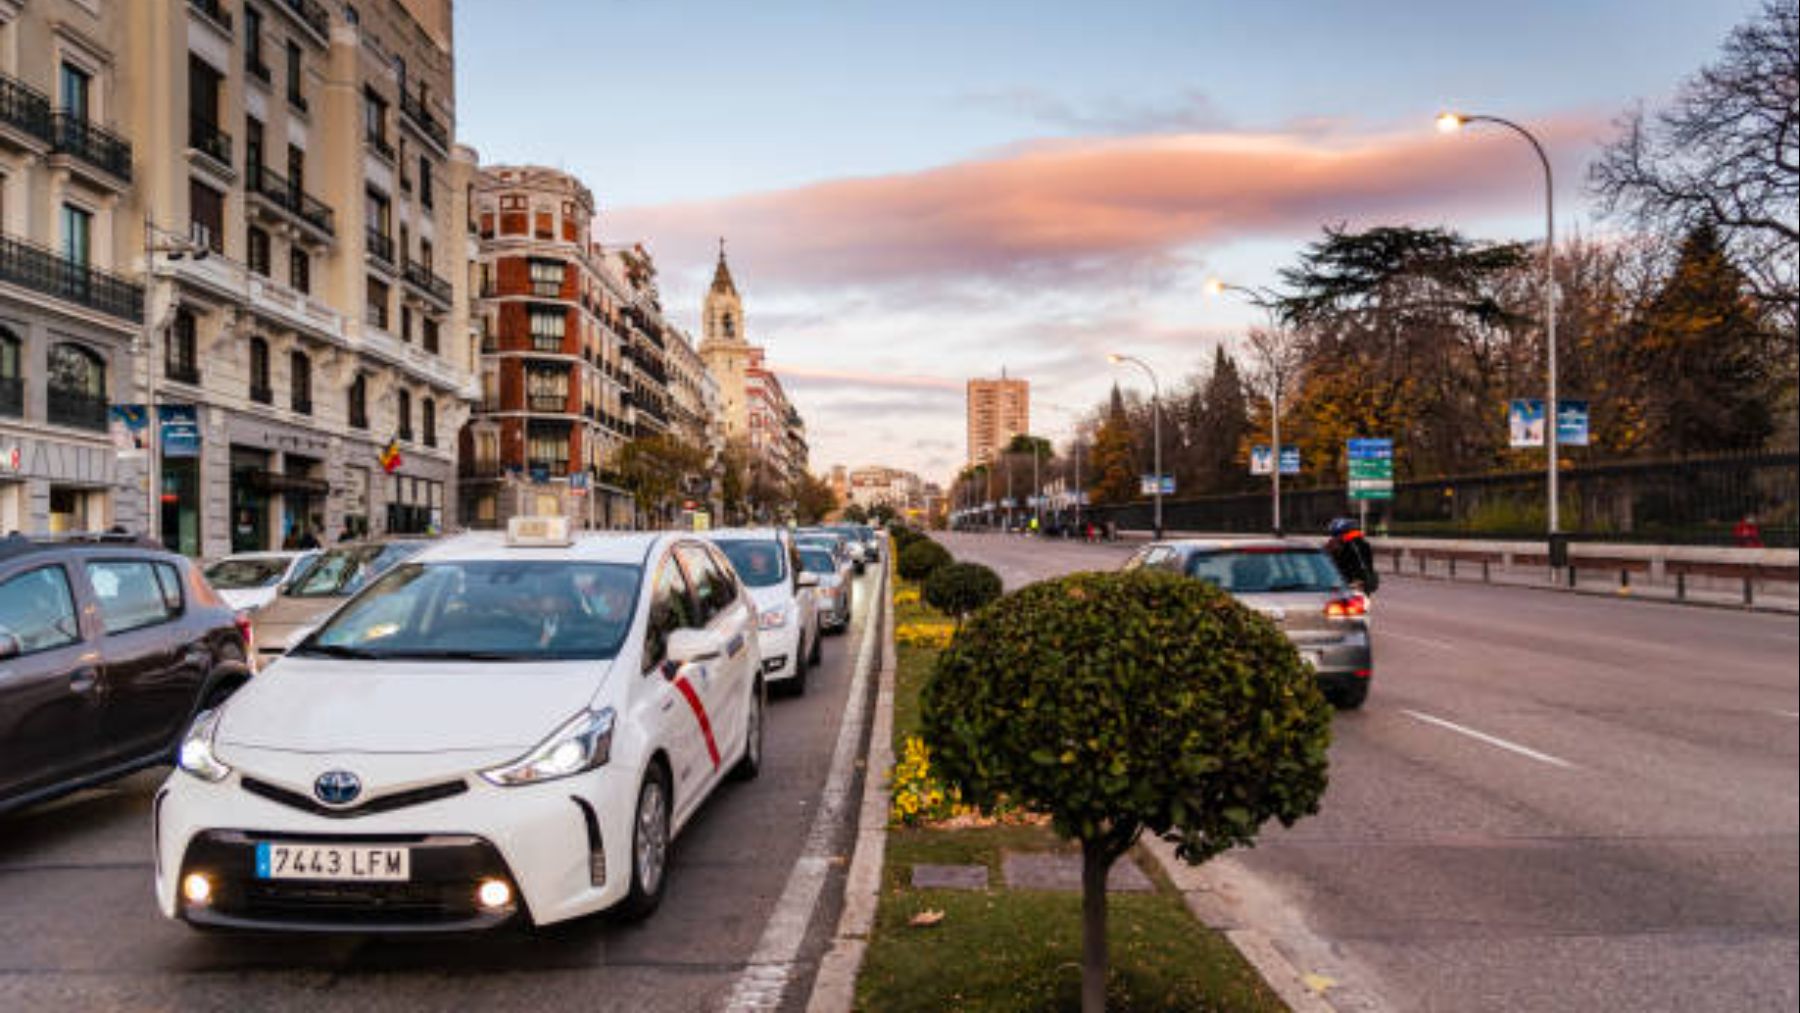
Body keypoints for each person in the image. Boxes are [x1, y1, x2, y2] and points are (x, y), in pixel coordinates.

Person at [1326, 517, 1379, 595]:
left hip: (1355, 584)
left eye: (1336, 535)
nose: (1334, 537)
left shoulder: (1355, 545)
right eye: (1333, 535)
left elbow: (1362, 565)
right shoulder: (1339, 544)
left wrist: (1361, 581)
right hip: (1342, 582)